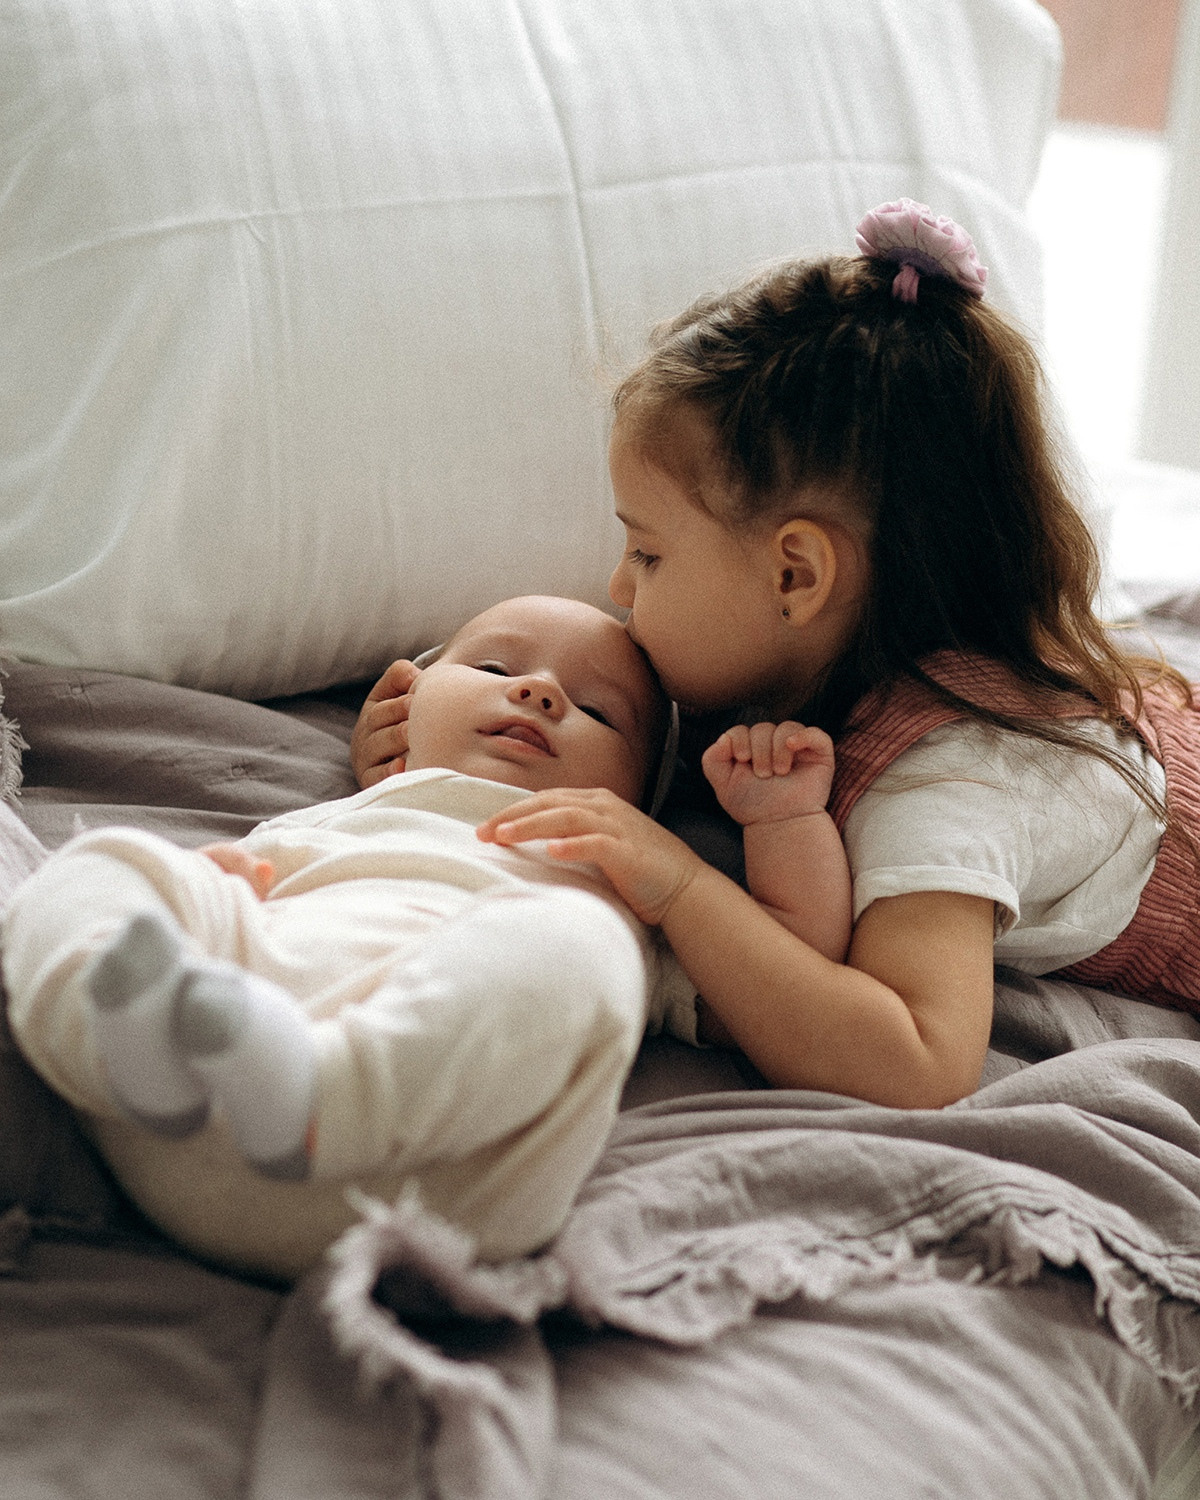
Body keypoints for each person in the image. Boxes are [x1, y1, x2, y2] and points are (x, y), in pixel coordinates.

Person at [356, 199, 1200, 1114]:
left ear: (795, 574)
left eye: (649, 553)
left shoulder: (948, 789)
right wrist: (428, 767)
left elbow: (915, 1058)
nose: (621, 588)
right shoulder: (820, 660)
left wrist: (680, 886)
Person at [3, 595, 849, 1278]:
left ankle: (320, 1093)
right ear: (407, 700)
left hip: (430, 1184)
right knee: (114, 861)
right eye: (493, 666)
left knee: (578, 944)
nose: (542, 692)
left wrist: (782, 820)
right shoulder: (342, 814)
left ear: (640, 798)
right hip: (182, 1104)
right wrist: (201, 891)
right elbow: (230, 887)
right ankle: (111, 1033)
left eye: (599, 711)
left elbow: (782, 973)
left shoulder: (612, 878)